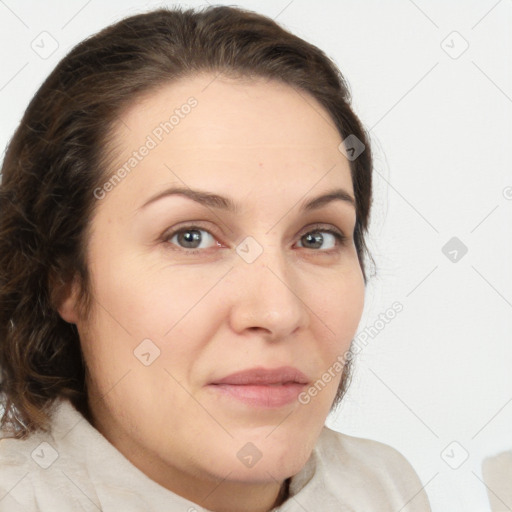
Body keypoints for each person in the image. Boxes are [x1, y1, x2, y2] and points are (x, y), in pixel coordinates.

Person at [0, 5, 431, 511]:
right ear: (66, 278)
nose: (278, 312)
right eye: (191, 237)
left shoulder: (383, 489)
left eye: (316, 237)